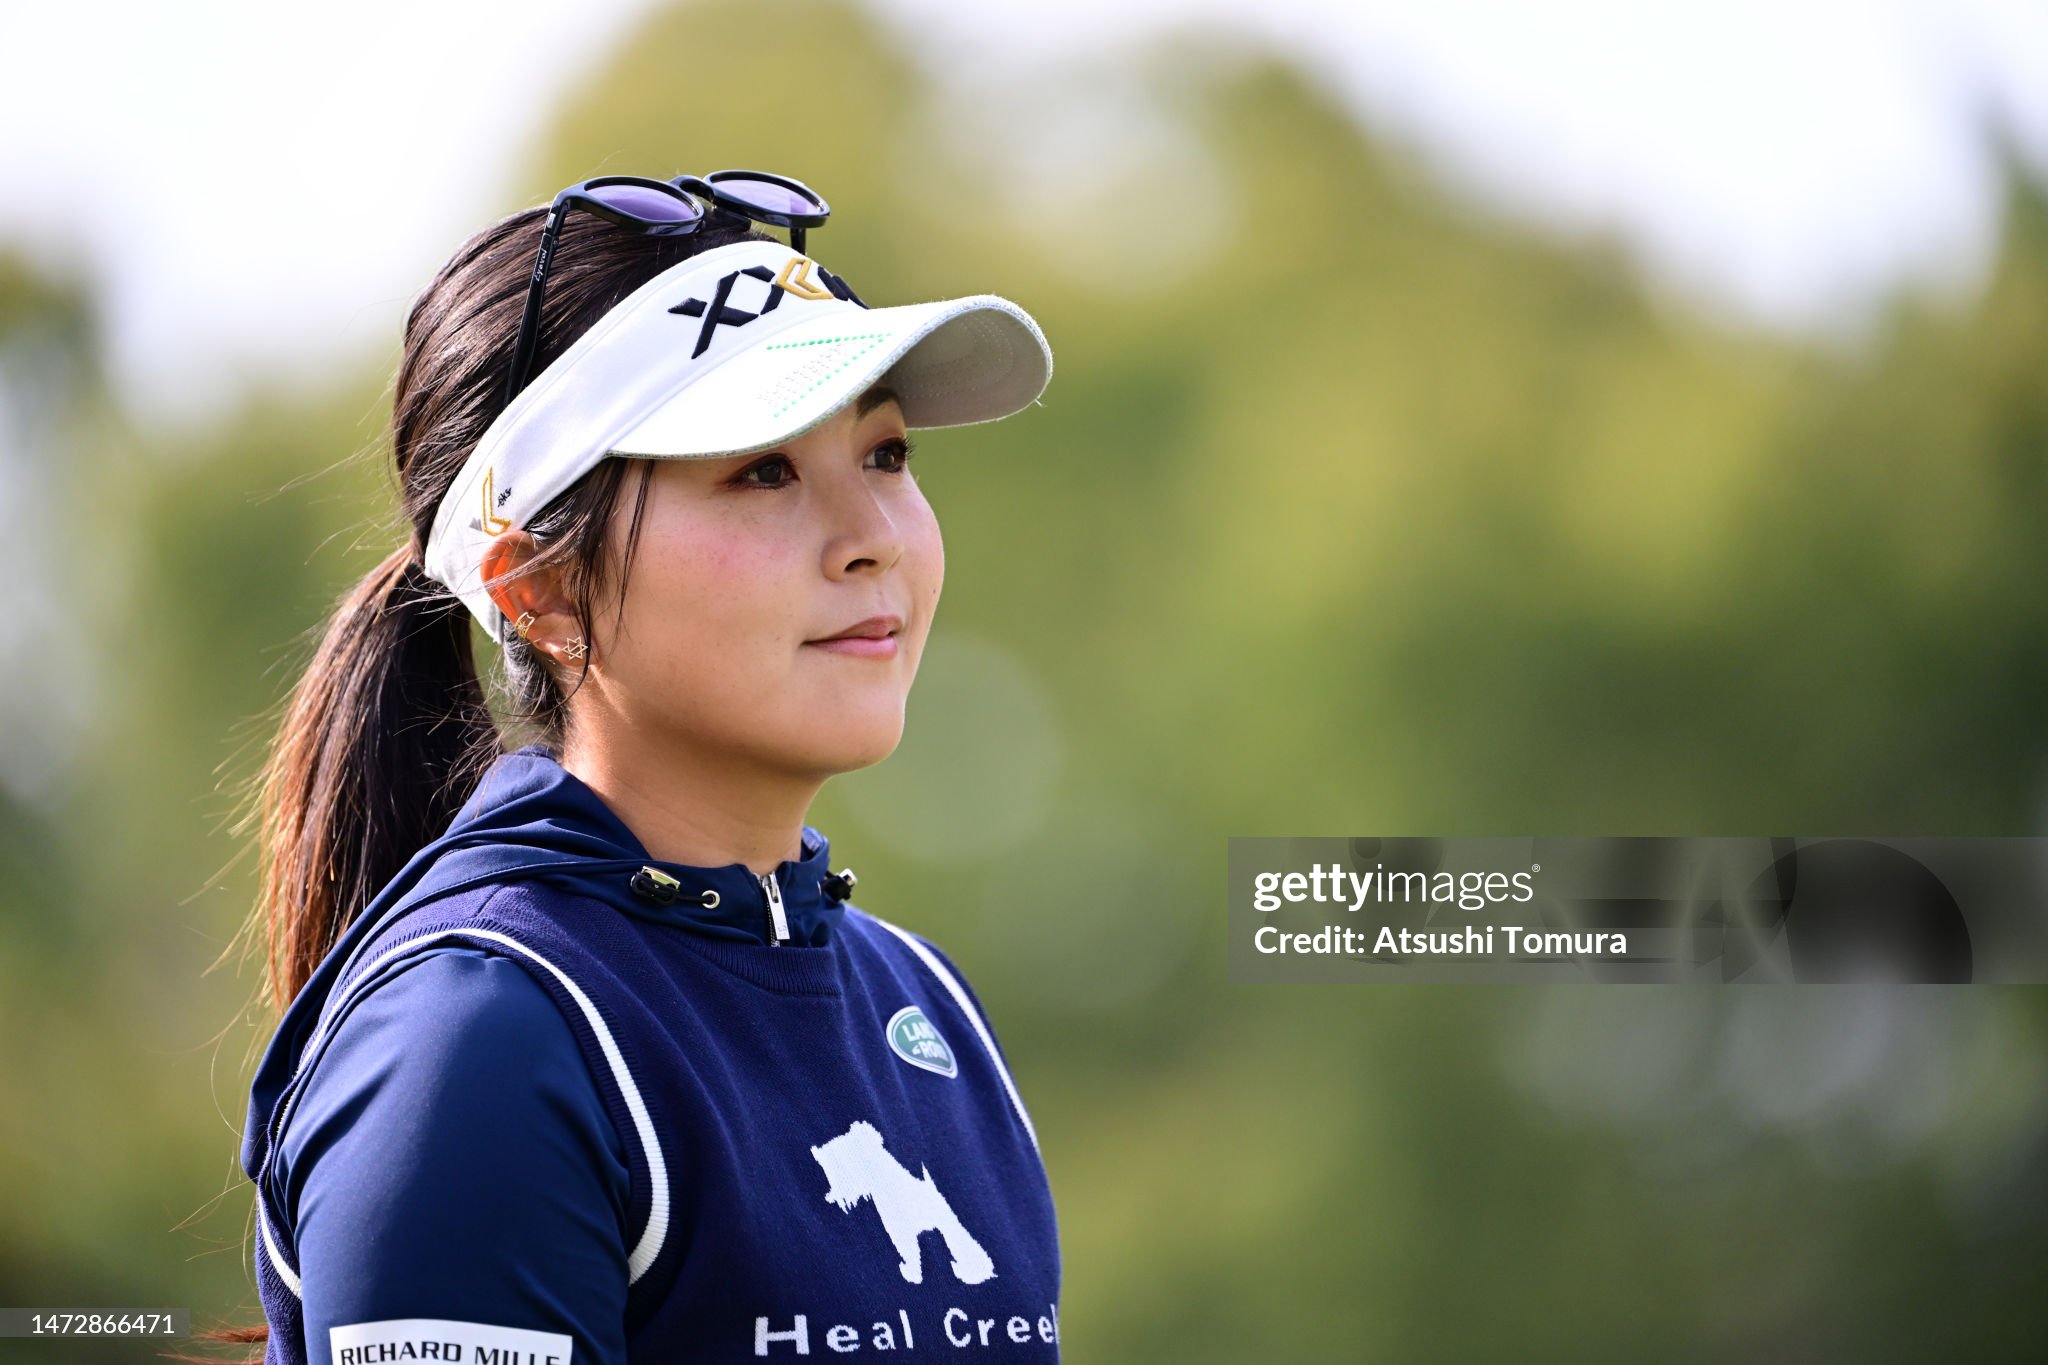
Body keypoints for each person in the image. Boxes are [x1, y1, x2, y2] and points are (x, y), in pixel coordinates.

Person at [214, 169, 1062, 1364]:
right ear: (541, 589)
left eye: (883, 453)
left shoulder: (927, 1010)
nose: (873, 539)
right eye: (762, 470)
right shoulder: (477, 1045)